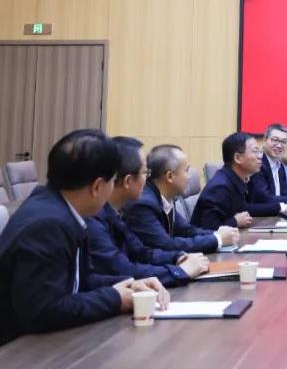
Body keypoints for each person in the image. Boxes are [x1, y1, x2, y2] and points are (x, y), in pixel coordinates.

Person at [0, 129, 167, 346]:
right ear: (97, 187)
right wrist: (115, 298)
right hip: (18, 350)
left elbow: (78, 281)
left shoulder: (59, 208)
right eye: (112, 181)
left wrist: (127, 286)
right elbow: (43, 310)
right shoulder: (49, 226)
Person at [88, 137, 209, 286]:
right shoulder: (93, 218)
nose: (148, 180)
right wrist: (180, 271)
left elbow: (140, 251)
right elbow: (122, 270)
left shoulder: (112, 212)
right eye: (145, 173)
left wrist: (178, 257)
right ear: (128, 181)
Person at [123, 144, 238, 253]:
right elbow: (166, 245)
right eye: (186, 170)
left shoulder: (166, 197)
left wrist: (217, 234)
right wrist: (217, 239)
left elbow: (186, 230)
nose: (189, 177)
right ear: (170, 176)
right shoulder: (143, 204)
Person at [191, 132, 287, 231]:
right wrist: (235, 221)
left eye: (259, 152)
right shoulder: (220, 187)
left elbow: (245, 208)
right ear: (238, 158)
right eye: (255, 151)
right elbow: (208, 229)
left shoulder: (237, 179)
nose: (260, 156)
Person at [248, 124, 287, 209]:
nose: (279, 145)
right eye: (275, 140)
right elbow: (264, 199)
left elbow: (282, 193)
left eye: (284, 142)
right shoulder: (258, 163)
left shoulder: (279, 165)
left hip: (276, 212)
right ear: (264, 140)